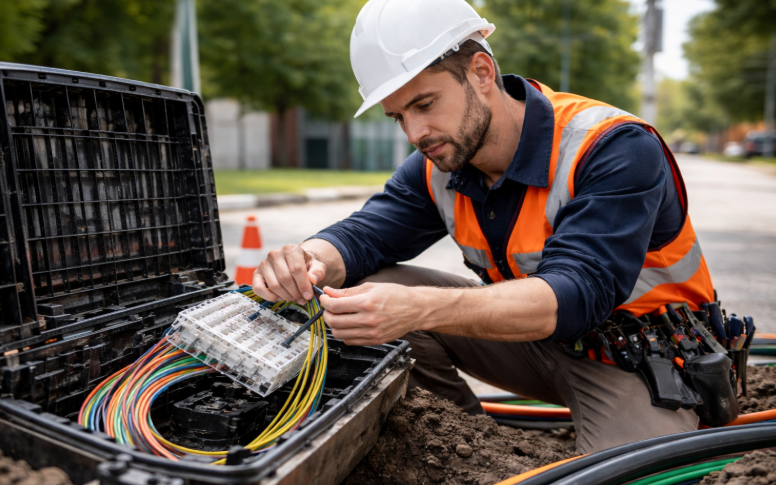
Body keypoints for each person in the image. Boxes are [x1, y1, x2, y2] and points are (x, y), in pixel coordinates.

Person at [252, 0, 719, 453]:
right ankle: (472, 451)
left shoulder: (613, 147)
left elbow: (579, 293)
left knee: (625, 473)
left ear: (480, 72)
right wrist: (310, 260)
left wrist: (418, 307)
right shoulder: (438, 164)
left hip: (641, 361)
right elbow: (364, 236)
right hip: (537, 346)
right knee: (368, 288)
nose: (415, 134)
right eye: (398, 117)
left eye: (425, 103)